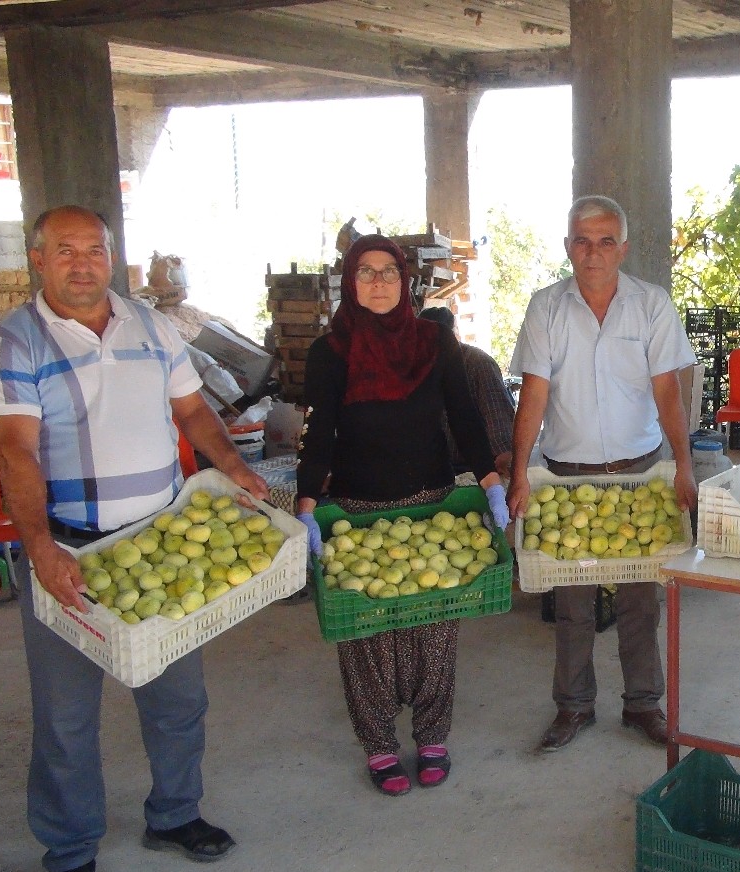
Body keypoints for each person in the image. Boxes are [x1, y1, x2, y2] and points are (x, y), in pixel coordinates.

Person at [0, 205, 270, 872]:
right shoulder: (12, 344)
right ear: (39, 259)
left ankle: (174, 814)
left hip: (161, 542)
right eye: (66, 251)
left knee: (178, 699)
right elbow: (13, 450)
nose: (83, 264)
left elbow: (193, 411)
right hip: (72, 550)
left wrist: (232, 466)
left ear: (113, 257)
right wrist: (40, 547)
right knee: (66, 715)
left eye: (95, 250)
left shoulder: (150, 324)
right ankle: (70, 854)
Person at [294, 234, 508, 797]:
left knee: (434, 627)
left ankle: (433, 736)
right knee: (366, 634)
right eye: (366, 272)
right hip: (359, 510)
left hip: (432, 504)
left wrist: (489, 482)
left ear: (405, 279)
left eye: (389, 271)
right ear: (349, 282)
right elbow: (320, 434)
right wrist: (307, 504)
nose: (380, 283)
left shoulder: (435, 342)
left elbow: (464, 417)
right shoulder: (330, 352)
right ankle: (380, 745)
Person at [506, 195, 698, 753]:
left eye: (605, 240)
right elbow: (534, 393)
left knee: (642, 599)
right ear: (568, 246)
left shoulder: (651, 305)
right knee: (572, 604)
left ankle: (643, 704)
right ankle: (573, 707)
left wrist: (683, 465)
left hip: (639, 474)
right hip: (567, 477)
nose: (593, 252)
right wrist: (520, 470)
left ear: (624, 248)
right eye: (582, 240)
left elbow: (668, 389)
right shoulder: (545, 308)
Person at [417, 304, 516, 478]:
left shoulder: (478, 363)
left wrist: (504, 458)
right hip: (429, 468)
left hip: (474, 470)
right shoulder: (415, 365)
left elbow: (497, 417)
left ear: (452, 336)